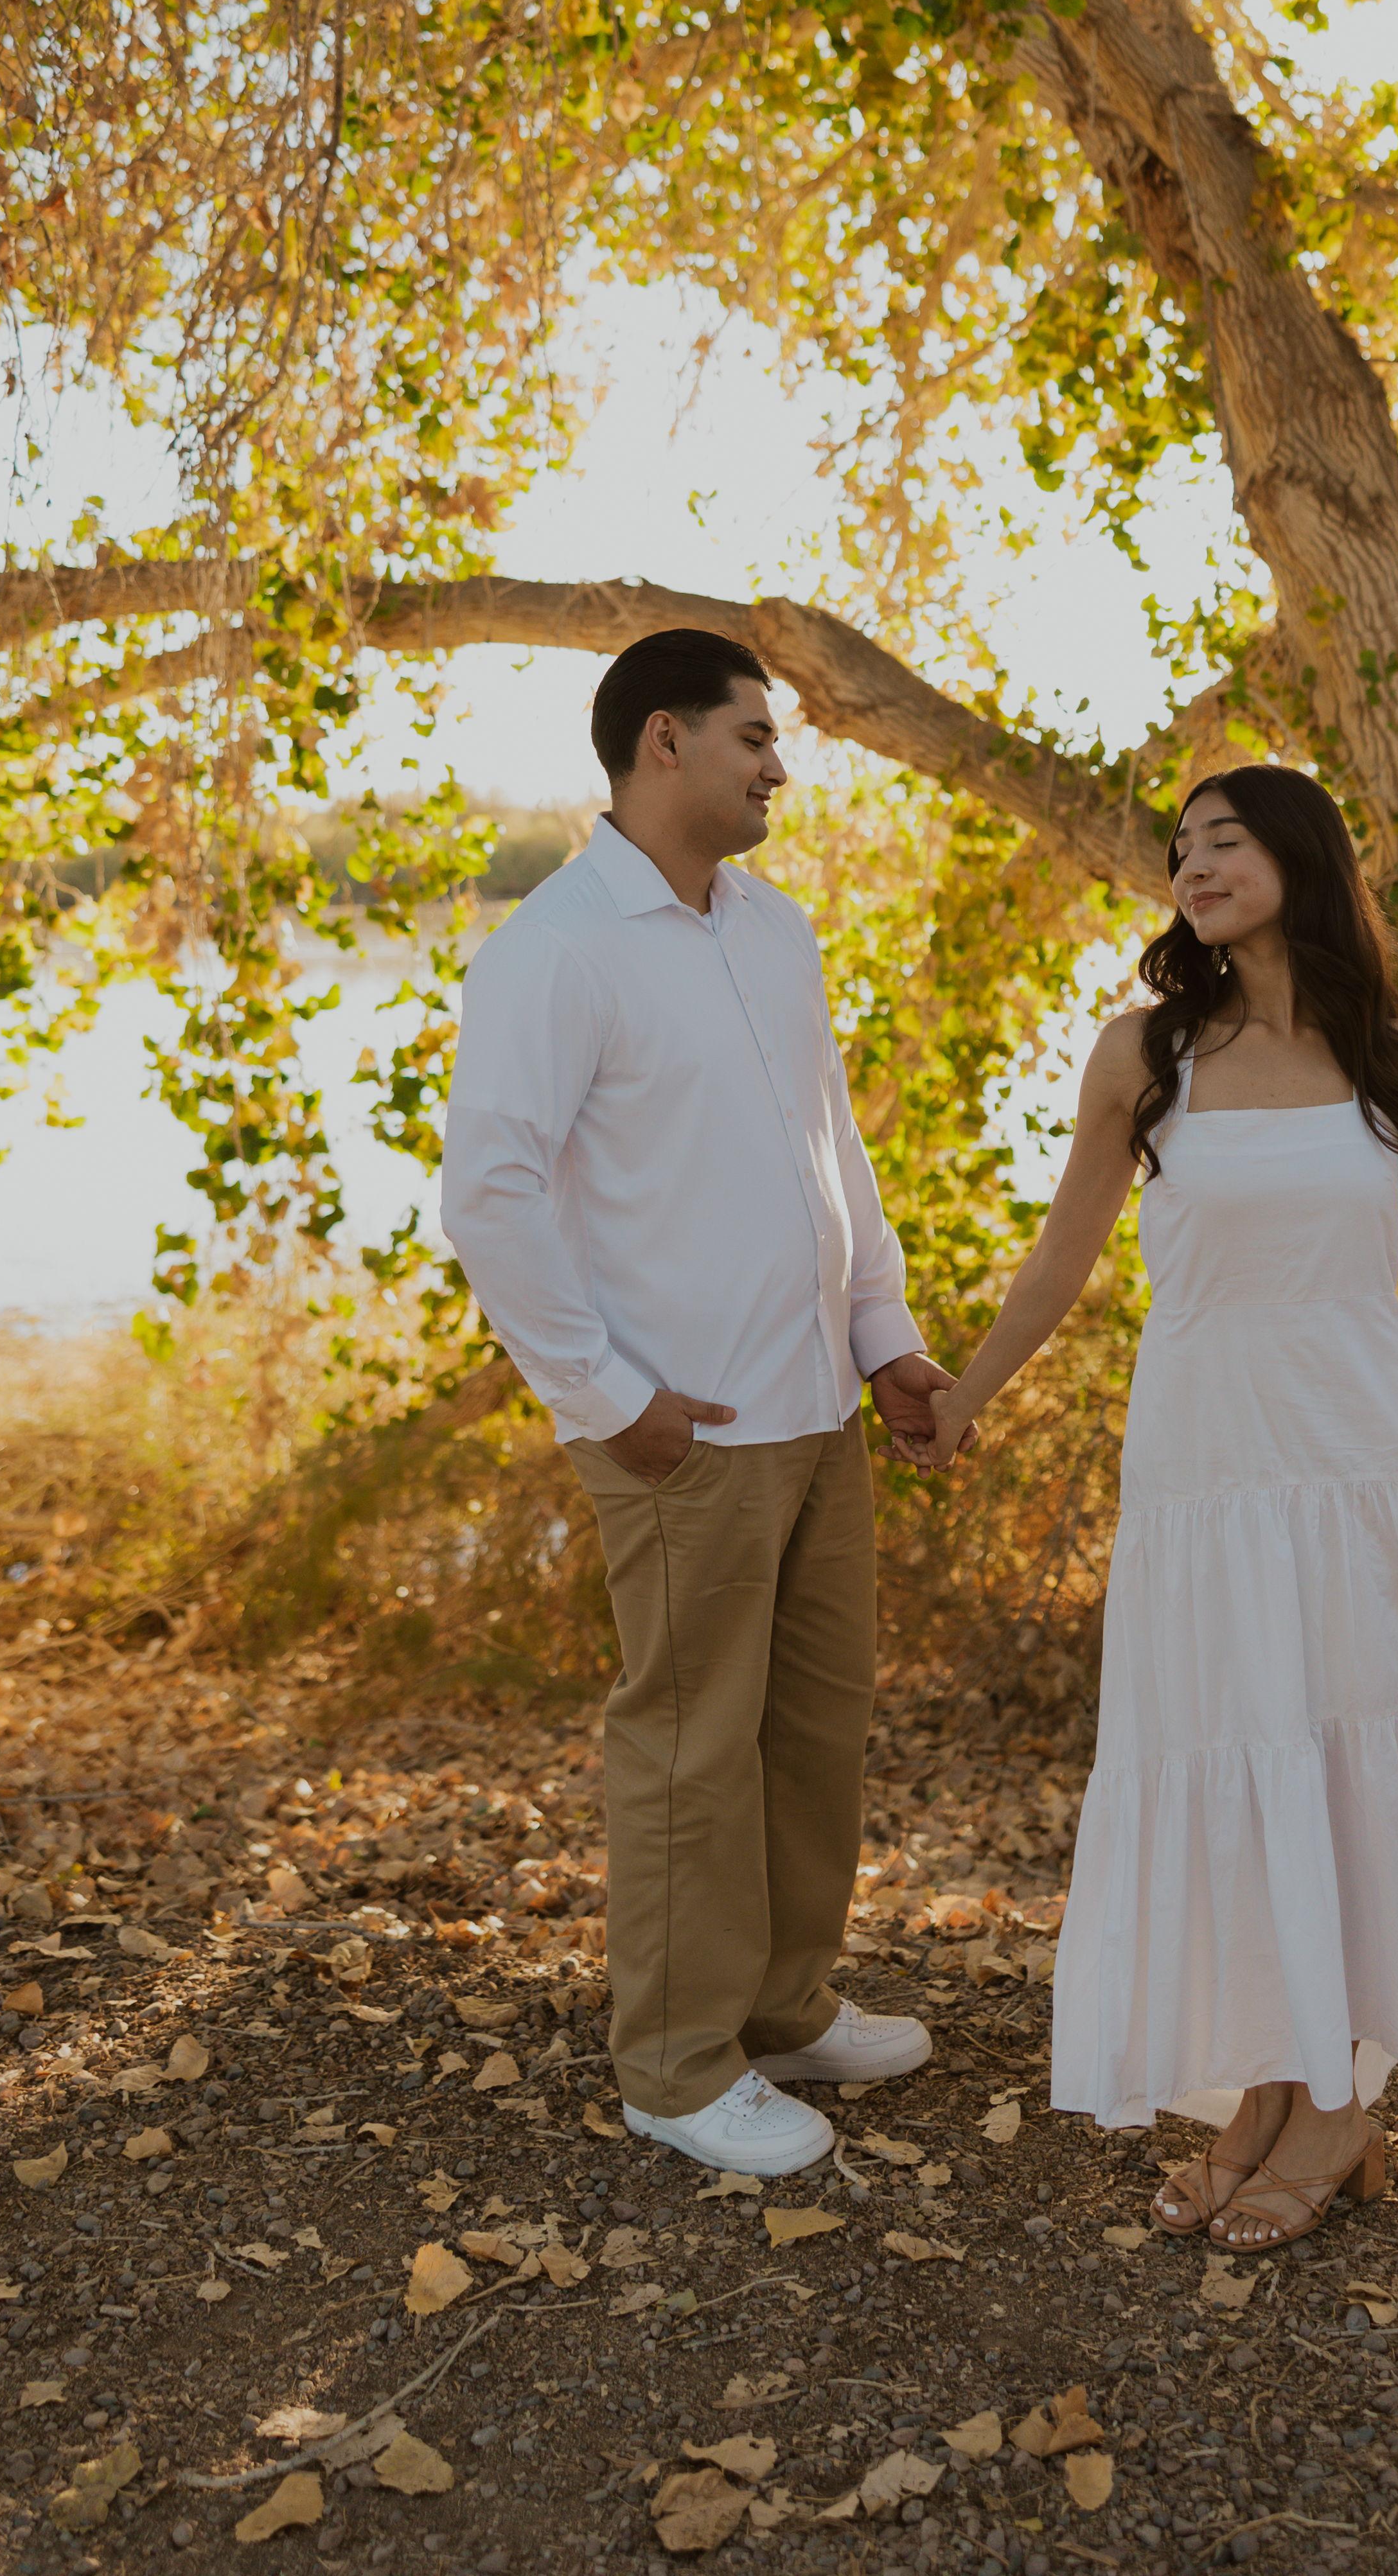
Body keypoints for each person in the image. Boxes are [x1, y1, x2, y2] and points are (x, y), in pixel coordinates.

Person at [910, 765, 1398, 2250]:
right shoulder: (1143, 1052)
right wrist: (969, 1392)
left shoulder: (1391, 1058)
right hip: (1201, 1465)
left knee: (1337, 1762)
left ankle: (1332, 2103)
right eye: (1178, 847)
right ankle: (1269, 2087)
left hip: (1352, 1455)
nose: (1191, 864)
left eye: (1224, 838)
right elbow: (1062, 1257)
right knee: (1234, 1750)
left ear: (1298, 856)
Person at [438, 628, 962, 2176]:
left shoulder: (774, 929)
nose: (777, 767)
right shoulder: (555, 947)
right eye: (753, 736)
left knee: (811, 1729)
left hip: (817, 1406)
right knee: (688, 1744)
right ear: (662, 740)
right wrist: (608, 1396)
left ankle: (781, 2006)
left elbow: (828, 1150)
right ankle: (673, 2066)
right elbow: (490, 1194)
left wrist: (884, 1336)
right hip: (684, 1428)